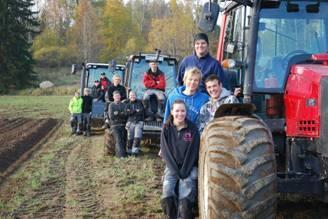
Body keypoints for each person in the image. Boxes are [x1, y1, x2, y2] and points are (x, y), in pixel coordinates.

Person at [160, 99, 200, 219]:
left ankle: (184, 216)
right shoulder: (166, 128)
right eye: (177, 111)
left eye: (183, 111)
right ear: (172, 112)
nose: (180, 114)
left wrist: (184, 171)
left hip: (188, 167)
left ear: (186, 112)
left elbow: (193, 152)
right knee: (167, 192)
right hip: (172, 167)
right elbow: (165, 151)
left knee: (186, 192)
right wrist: (174, 170)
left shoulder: (192, 129)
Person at [108, 90, 128, 158]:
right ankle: (121, 156)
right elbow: (111, 116)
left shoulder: (124, 104)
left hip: (123, 124)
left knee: (124, 139)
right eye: (115, 96)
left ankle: (122, 153)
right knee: (118, 139)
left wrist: (117, 113)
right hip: (115, 125)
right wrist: (121, 113)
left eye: (118, 96)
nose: (117, 97)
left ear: (120, 97)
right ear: (113, 97)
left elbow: (126, 114)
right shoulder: (111, 105)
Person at [125, 90, 145, 156]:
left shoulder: (139, 102)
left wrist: (132, 111)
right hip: (130, 122)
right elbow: (127, 113)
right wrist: (135, 111)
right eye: (131, 95)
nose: (132, 96)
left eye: (133, 95)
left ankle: (135, 152)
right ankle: (129, 151)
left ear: (135, 96)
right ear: (129, 96)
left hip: (139, 122)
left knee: (137, 137)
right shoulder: (127, 103)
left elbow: (141, 111)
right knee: (130, 137)